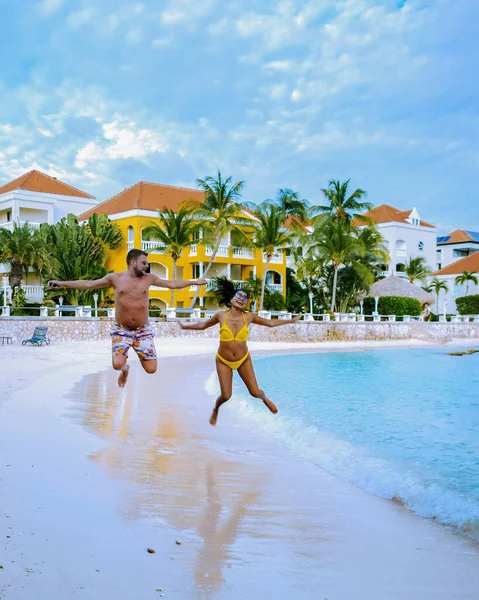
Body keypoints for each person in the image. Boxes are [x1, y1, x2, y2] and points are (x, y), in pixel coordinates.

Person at [49, 248, 207, 387]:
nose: (147, 266)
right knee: (117, 365)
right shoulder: (115, 278)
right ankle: (125, 370)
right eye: (144, 263)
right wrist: (63, 284)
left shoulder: (149, 278)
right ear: (133, 262)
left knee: (151, 369)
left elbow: (171, 284)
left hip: (143, 331)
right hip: (121, 329)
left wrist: (193, 282)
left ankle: (134, 357)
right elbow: (89, 284)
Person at [179, 277, 300, 425]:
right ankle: (216, 409)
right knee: (226, 395)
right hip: (223, 361)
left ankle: (265, 399)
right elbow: (203, 325)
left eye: (245, 298)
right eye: (239, 296)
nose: (241, 299)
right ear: (231, 299)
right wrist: (186, 327)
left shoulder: (249, 317)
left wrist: (291, 320)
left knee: (255, 392)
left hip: (243, 359)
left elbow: (269, 323)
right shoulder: (221, 315)